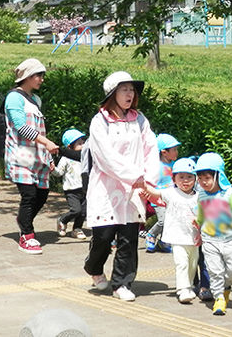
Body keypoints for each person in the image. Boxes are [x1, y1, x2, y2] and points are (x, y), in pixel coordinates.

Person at [83, 71, 159, 301]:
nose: (129, 94)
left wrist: (149, 179)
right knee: (104, 237)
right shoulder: (100, 121)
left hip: (134, 190)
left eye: (132, 89)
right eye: (124, 89)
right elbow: (105, 156)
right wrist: (134, 174)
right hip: (106, 188)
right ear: (112, 94)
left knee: (129, 238)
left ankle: (121, 283)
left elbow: (151, 148)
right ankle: (93, 267)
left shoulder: (139, 119)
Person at [4, 58, 58, 255]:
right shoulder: (13, 98)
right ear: (26, 77)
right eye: (38, 75)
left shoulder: (35, 100)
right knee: (29, 195)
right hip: (20, 157)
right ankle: (26, 235)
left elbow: (39, 129)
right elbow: (20, 127)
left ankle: (23, 220)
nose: (41, 79)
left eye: (42, 75)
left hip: (38, 157)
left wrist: (48, 156)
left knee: (42, 194)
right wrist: (46, 143)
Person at [195, 152, 232, 315]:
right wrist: (198, 229)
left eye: (207, 178)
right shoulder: (202, 194)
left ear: (218, 175)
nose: (203, 182)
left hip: (230, 240)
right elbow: (201, 214)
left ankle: (226, 287)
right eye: (200, 179)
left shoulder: (229, 194)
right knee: (214, 271)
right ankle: (219, 298)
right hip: (210, 240)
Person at [141, 158, 201, 304]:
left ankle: (190, 285)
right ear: (174, 178)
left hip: (193, 238)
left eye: (189, 177)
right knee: (182, 263)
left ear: (195, 179)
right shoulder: (171, 193)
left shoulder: (199, 196)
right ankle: (182, 289)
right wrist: (142, 185)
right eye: (181, 177)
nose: (185, 181)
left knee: (193, 264)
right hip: (177, 237)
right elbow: (155, 192)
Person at [145, 133, 181, 253]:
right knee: (163, 220)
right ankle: (151, 235)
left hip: (171, 197)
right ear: (164, 152)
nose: (177, 152)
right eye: (174, 150)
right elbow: (149, 183)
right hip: (158, 198)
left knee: (172, 220)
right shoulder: (156, 166)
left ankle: (163, 241)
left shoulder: (175, 165)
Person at [53, 129, 87, 240]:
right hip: (71, 190)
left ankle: (77, 229)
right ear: (69, 146)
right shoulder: (66, 158)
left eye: (83, 143)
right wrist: (52, 169)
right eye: (79, 144)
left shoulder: (86, 158)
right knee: (76, 210)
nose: (83, 145)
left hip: (85, 189)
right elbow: (59, 172)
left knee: (83, 212)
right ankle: (63, 220)